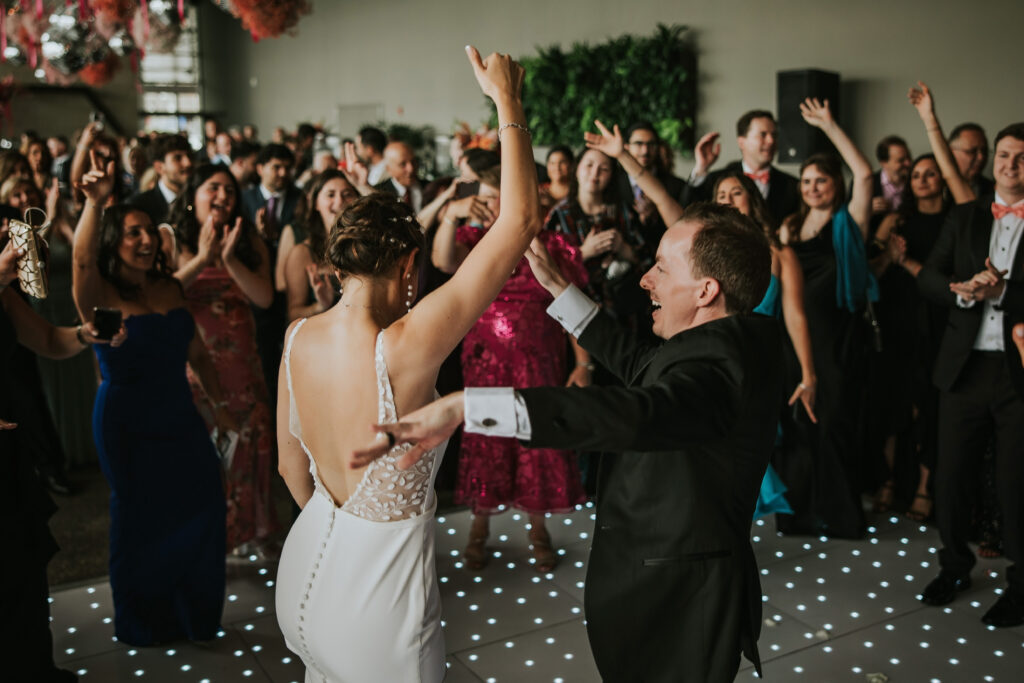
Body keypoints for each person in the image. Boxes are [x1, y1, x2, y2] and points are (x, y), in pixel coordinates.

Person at [355, 191, 783, 682]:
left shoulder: (721, 369)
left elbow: (638, 413)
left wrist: (473, 406)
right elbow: (638, 363)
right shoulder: (725, 340)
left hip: (680, 602)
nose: (645, 279)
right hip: (662, 585)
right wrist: (561, 290)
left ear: (706, 290)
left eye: (662, 269)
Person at [274, 46, 539, 682]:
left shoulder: (295, 337)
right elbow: (520, 220)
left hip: (307, 572)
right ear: (407, 266)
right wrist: (508, 101)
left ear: (338, 265)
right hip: (381, 608)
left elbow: (291, 466)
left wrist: (342, 537)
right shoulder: (404, 343)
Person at [70, 152, 231, 646]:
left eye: (148, 231)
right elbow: (79, 258)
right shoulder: (97, 290)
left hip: (179, 413)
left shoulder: (167, 286)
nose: (144, 240)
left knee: (205, 503)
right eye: (131, 232)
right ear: (112, 242)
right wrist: (96, 203)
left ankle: (195, 618)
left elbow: (198, 355)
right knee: (139, 516)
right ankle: (144, 623)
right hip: (126, 419)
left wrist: (220, 407)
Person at [432, 163, 588, 571]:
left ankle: (538, 530)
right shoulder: (475, 241)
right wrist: (451, 212)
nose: (497, 200)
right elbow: (442, 259)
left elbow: (571, 301)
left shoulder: (555, 244)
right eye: (492, 193)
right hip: (486, 360)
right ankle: (478, 530)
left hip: (540, 358)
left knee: (535, 434)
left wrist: (583, 362)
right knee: (487, 436)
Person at [915, 122, 1024, 628]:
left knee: (1015, 484)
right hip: (962, 368)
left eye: (1021, 157)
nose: (1010, 165)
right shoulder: (964, 215)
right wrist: (963, 289)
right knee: (952, 478)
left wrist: (1001, 293)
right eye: (1004, 155)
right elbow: (932, 278)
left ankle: (1022, 587)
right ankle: (955, 566)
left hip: (1017, 373)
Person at [1, 233, 124, 683]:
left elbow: (49, 340)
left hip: (8, 449)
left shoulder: (4, 291)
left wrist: (85, 334)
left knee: (20, 569)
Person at [774, 98, 874, 540]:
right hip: (792, 337)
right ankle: (798, 516)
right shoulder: (788, 228)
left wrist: (830, 125)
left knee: (831, 423)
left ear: (837, 184)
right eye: (807, 181)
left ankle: (840, 516)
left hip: (837, 339)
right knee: (796, 422)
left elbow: (867, 175)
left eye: (822, 180)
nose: (813, 187)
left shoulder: (848, 223)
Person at [168, 164, 278, 556]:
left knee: (252, 444)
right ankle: (211, 535)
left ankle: (255, 531)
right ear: (193, 194)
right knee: (204, 452)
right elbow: (163, 296)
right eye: (212, 187)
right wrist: (202, 258)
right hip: (196, 365)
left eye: (230, 191)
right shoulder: (171, 238)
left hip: (243, 364)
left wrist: (230, 259)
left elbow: (264, 297)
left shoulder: (247, 239)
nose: (222, 197)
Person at [683, 110, 801, 225]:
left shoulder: (792, 185)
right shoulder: (717, 179)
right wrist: (701, 168)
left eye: (774, 135)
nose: (771, 141)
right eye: (763, 134)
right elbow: (686, 211)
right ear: (741, 142)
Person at [283, 170, 359, 322]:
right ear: (315, 203)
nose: (339, 201)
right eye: (331, 195)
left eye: (347, 194)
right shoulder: (302, 253)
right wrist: (320, 306)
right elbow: (293, 314)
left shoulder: (365, 247)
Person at [129, 134, 193, 228]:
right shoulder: (139, 206)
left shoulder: (199, 198)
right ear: (159, 167)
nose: (188, 163)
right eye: (177, 158)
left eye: (190, 156)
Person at [948, 122, 995, 197]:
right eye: (971, 151)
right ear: (951, 152)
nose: (981, 157)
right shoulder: (934, 187)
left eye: (984, 151)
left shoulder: (994, 190)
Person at [539, 144, 572, 217]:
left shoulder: (577, 193)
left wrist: (554, 205)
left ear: (572, 165)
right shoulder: (539, 191)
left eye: (562, 162)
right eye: (552, 163)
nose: (557, 167)